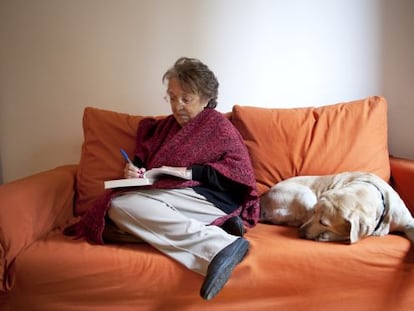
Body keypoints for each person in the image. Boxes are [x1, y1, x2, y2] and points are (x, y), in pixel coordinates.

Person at [65, 57, 260, 300]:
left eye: (185, 99)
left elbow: (238, 173)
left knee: (119, 205)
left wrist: (189, 173)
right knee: (120, 204)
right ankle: (220, 230)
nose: (177, 106)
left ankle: (219, 245)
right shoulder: (165, 127)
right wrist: (135, 170)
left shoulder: (217, 125)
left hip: (211, 198)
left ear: (207, 97)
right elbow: (145, 159)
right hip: (173, 196)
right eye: (172, 97)